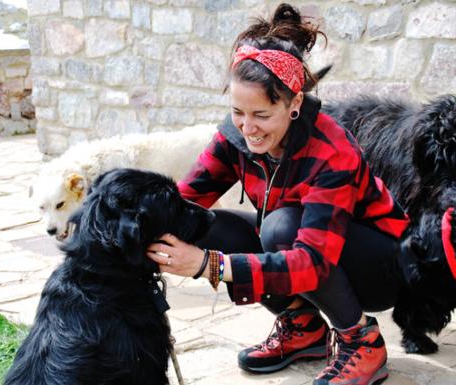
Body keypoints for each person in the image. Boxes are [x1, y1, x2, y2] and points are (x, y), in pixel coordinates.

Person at [147, 4, 409, 385]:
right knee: (202, 226)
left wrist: (208, 265)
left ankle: (361, 341)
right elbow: (184, 202)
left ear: (294, 105)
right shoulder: (233, 137)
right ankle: (301, 326)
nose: (247, 128)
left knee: (279, 228)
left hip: (378, 264)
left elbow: (313, 262)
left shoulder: (330, 152)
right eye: (238, 111)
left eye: (261, 115)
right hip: (303, 245)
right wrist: (129, 232)